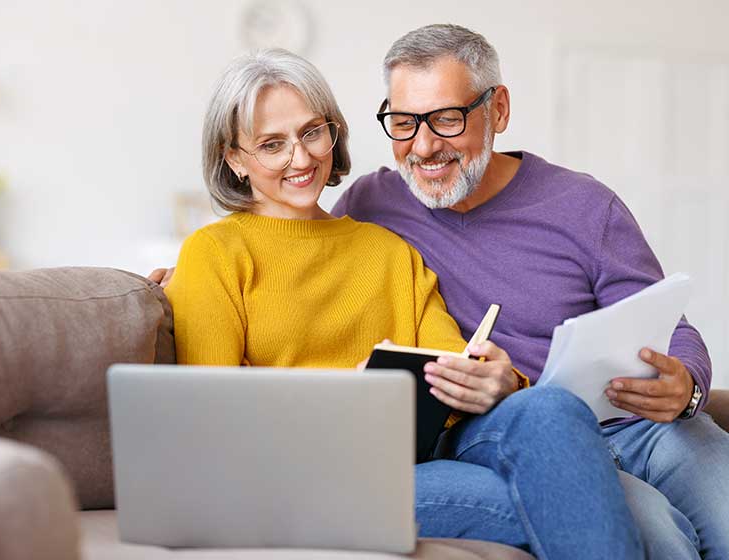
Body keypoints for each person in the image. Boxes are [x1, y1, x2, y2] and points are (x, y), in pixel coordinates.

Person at [157, 47, 643, 560]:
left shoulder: (388, 249)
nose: (300, 159)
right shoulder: (215, 253)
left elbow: (451, 364)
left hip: (401, 464)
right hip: (289, 482)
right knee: (566, 495)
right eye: (271, 145)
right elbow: (209, 424)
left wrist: (489, 377)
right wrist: (346, 397)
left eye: (311, 133)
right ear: (235, 158)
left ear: (333, 131)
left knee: (549, 406)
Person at [331, 23, 729, 560]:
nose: (423, 147)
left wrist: (688, 388)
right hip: (513, 432)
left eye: (447, 119)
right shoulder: (372, 204)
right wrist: (176, 280)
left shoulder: (584, 205)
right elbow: (298, 249)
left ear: (497, 110)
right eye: (403, 123)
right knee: (656, 532)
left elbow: (672, 329)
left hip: (639, 424)